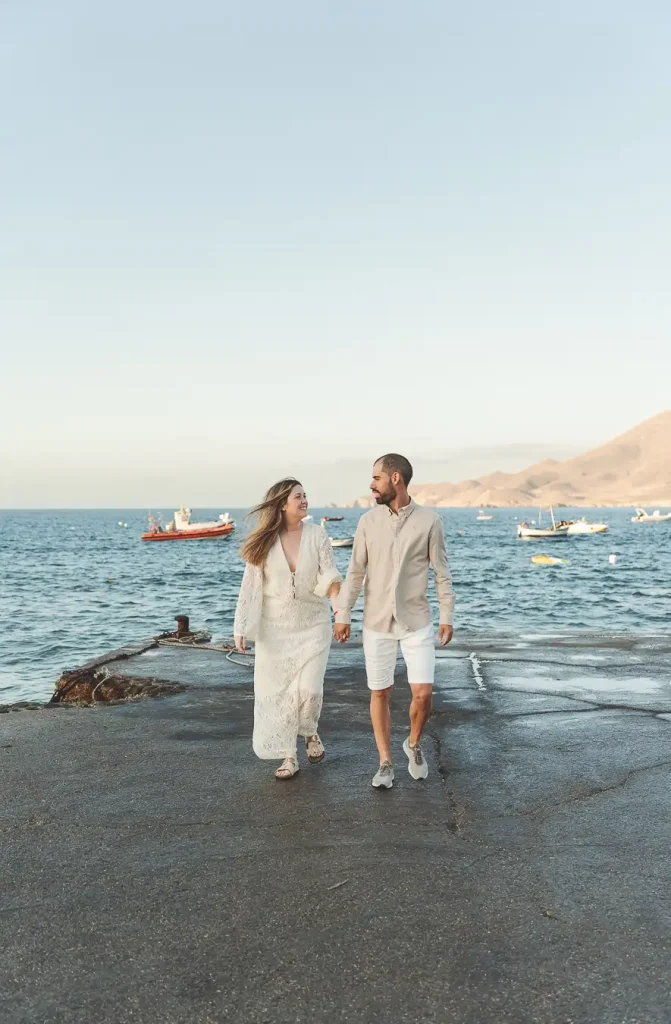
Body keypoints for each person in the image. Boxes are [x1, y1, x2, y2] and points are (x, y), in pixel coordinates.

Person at [334, 454, 454, 789]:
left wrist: (447, 615)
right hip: (376, 621)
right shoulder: (367, 522)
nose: (372, 485)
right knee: (380, 691)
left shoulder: (430, 521)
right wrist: (343, 613)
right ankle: (385, 762)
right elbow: (356, 572)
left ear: (396, 478)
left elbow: (441, 574)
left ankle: (413, 743)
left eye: (376, 478)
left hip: (417, 620)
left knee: (423, 694)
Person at [234, 479, 341, 780]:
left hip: (314, 623)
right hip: (276, 629)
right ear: (282, 504)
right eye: (298, 496)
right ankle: (289, 755)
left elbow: (330, 576)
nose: (304, 500)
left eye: (306, 495)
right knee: (280, 694)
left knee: (309, 688)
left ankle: (310, 731)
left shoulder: (318, 535)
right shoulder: (264, 542)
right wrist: (242, 626)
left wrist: (340, 610)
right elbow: (251, 586)